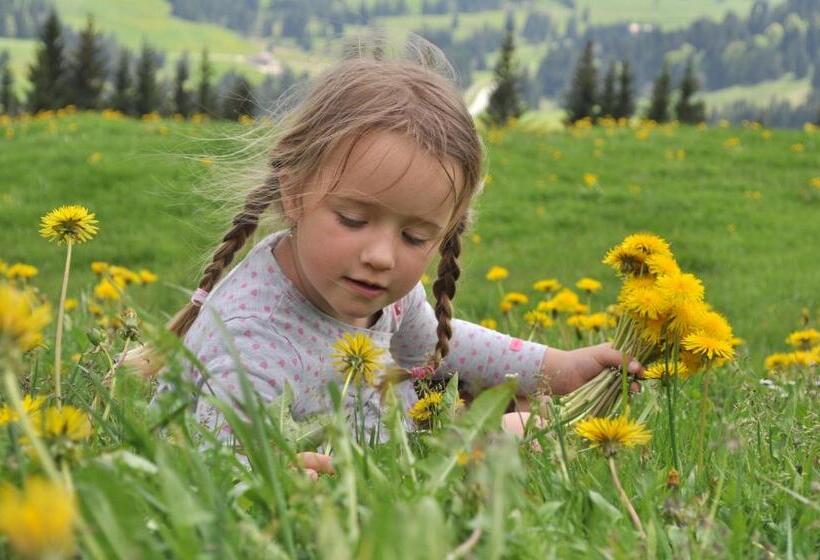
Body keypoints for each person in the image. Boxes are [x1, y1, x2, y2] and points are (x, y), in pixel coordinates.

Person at [128, 37, 642, 479]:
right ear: (293, 195)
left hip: (391, 439)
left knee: (532, 417)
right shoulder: (255, 340)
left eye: (416, 238)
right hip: (369, 471)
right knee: (523, 434)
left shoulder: (372, 289)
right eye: (353, 220)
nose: (381, 257)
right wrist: (278, 480)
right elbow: (211, 463)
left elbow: (439, 343)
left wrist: (555, 367)